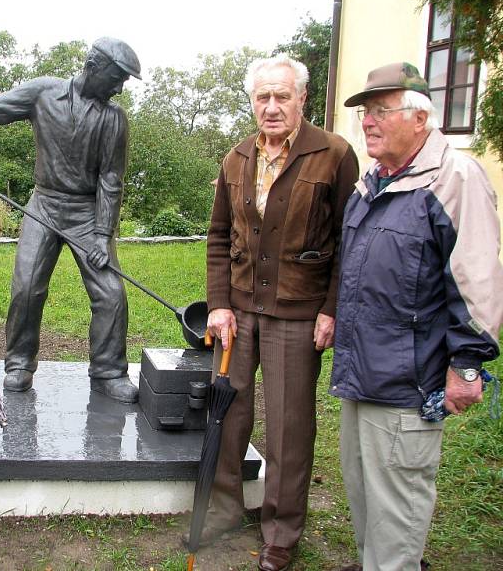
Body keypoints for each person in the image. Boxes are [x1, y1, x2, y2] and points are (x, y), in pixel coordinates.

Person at [333, 62, 503, 571]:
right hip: (361, 375)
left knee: (398, 509)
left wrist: (467, 365)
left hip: (409, 382)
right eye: (366, 112)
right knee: (365, 498)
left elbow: (476, 281)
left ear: (420, 118)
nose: (369, 122)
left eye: (382, 110)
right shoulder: (375, 182)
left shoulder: (454, 178)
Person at [201, 53, 359, 571]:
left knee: (290, 424)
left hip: (298, 313)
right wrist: (220, 304)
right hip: (240, 311)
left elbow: (346, 242)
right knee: (230, 412)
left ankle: (281, 531)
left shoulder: (334, 154)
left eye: (281, 96)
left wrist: (331, 309)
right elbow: (220, 236)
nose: (271, 107)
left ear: (302, 99)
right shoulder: (236, 157)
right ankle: (225, 509)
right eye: (262, 97)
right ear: (253, 102)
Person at [0, 37, 141, 403]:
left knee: (111, 293)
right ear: (94, 66)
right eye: (117, 76)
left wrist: (103, 236)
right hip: (43, 205)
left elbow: (111, 180)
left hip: (87, 214)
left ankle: (108, 369)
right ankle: (19, 364)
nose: (120, 87)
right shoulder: (44, 92)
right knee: (27, 286)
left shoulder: (113, 118)